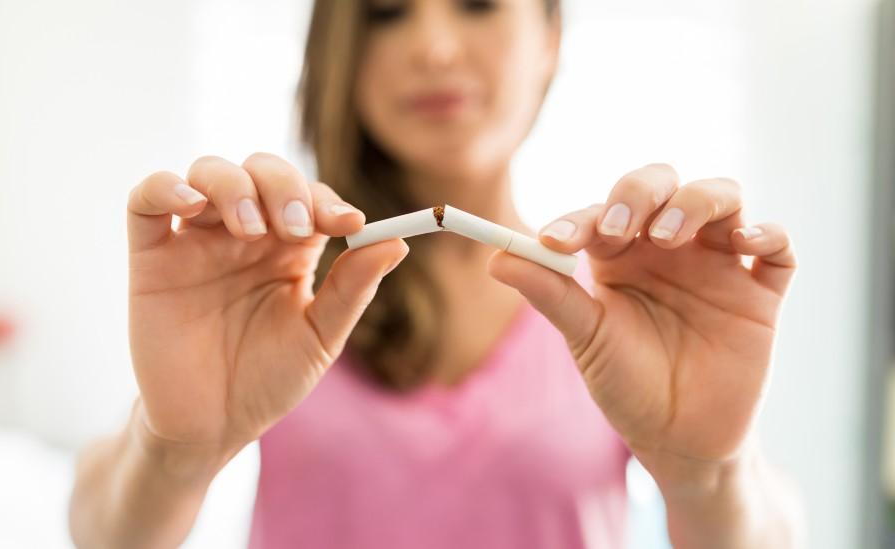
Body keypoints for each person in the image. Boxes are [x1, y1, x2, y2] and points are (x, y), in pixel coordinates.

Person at [69, 0, 804, 547]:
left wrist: (706, 474)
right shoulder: (273, 293)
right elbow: (98, 528)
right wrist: (177, 451)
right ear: (342, 54)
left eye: (478, 4)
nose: (436, 47)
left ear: (549, 38)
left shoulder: (625, 305)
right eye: (386, 13)